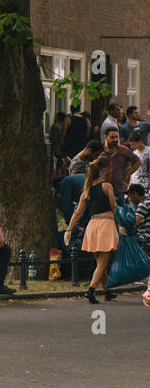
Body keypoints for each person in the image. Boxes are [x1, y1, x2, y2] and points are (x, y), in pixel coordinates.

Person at [67, 163, 119, 303]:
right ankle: (91, 290)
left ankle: (107, 291)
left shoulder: (86, 192)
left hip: (92, 226)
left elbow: (78, 212)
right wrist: (120, 222)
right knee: (103, 263)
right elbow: (113, 206)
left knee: (100, 263)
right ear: (100, 172)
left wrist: (69, 229)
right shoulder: (106, 186)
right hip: (106, 224)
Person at [98, 128, 140, 202]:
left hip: (117, 191)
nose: (115, 139)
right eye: (112, 137)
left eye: (116, 137)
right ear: (105, 137)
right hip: (101, 190)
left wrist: (128, 173)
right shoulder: (99, 150)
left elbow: (138, 162)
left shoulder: (123, 150)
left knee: (119, 212)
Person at [130, 183, 150, 257]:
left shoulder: (143, 204)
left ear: (135, 194)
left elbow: (136, 223)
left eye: (130, 196)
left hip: (145, 240)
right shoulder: (148, 201)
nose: (130, 199)